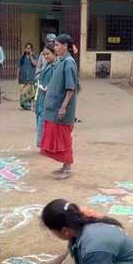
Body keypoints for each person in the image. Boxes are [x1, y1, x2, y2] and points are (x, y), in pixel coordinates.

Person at [40, 34, 78, 180]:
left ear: (65, 46)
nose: (54, 48)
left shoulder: (69, 63)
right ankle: (64, 165)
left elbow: (70, 88)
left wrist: (63, 107)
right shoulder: (62, 61)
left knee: (64, 138)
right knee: (57, 137)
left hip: (61, 109)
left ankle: (67, 168)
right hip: (54, 107)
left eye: (56, 45)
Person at [34, 43, 57, 147]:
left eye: (48, 54)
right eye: (44, 54)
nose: (46, 56)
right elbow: (39, 84)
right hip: (40, 99)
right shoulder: (46, 66)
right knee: (40, 123)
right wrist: (35, 100)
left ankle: (44, 145)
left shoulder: (56, 67)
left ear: (54, 53)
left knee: (43, 125)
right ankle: (43, 144)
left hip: (48, 101)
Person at [17, 42, 38, 110]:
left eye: (29, 48)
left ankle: (29, 106)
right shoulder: (22, 57)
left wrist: (31, 56)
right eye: (27, 48)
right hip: (23, 78)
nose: (28, 49)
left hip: (31, 78)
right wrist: (17, 77)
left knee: (30, 93)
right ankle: (23, 105)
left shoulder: (34, 56)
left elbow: (35, 64)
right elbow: (19, 67)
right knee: (23, 93)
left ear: (31, 49)